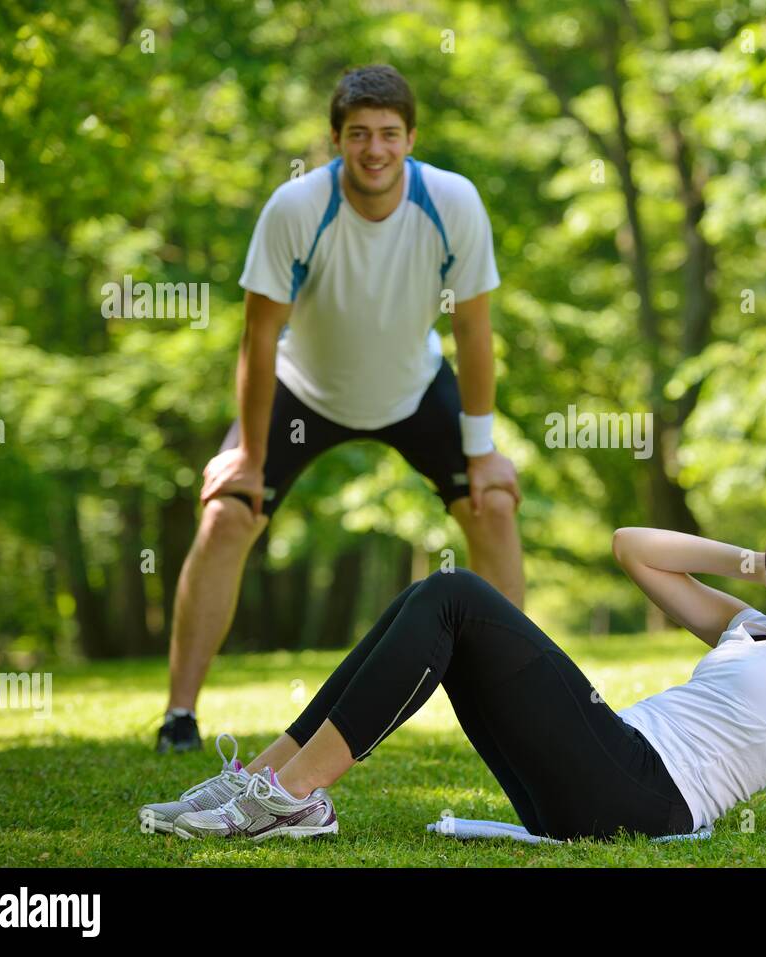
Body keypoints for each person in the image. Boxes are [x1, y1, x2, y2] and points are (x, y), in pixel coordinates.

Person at [138, 492, 766, 842]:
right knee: (431, 600)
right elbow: (635, 551)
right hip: (599, 772)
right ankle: (269, 777)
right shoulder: (756, 624)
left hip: (645, 792)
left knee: (456, 595)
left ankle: (288, 802)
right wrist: (761, 563)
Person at [156, 64, 524, 753]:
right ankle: (179, 716)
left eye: (389, 133)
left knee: (495, 501)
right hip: (305, 391)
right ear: (335, 140)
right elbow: (258, 336)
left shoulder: (454, 202)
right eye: (359, 134)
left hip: (412, 389)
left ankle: (524, 707)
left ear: (411, 138)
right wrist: (249, 458)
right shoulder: (295, 209)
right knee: (225, 515)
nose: (375, 149)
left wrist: (481, 451)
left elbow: (474, 330)